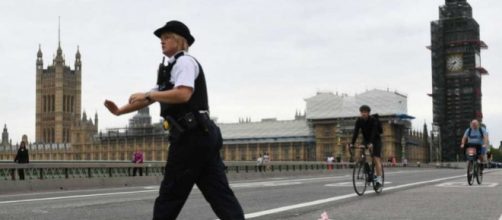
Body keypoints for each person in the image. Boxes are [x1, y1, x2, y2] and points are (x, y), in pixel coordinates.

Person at [104, 20, 244, 220]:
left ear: (180, 41)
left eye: (167, 37)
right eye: (161, 38)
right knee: (220, 195)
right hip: (202, 136)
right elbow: (147, 98)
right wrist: (119, 111)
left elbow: (183, 94)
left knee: (169, 197)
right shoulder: (170, 69)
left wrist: (150, 95)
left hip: (191, 137)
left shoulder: (185, 62)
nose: (162, 41)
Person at [350, 105, 383, 189]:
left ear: (368, 113)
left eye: (365, 112)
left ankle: (379, 180)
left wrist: (371, 143)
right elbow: (355, 132)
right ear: (360, 113)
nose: (363, 113)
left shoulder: (373, 120)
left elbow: (374, 132)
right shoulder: (359, 121)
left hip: (375, 140)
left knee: (376, 159)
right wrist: (352, 143)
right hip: (366, 140)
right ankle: (369, 173)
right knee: (361, 152)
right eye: (362, 112)